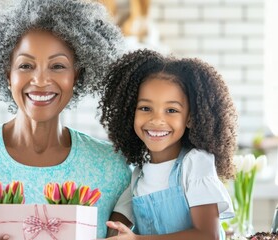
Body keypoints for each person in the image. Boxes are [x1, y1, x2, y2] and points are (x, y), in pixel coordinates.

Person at [0, 0, 132, 239]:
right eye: (26, 65)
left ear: (76, 76)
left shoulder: (110, 165)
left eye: (58, 66)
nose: (40, 80)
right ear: (7, 75)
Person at [98, 49, 238, 239]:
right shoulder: (139, 176)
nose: (156, 120)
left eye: (171, 110)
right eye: (145, 108)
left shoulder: (196, 163)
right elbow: (117, 223)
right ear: (130, 113)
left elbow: (207, 235)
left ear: (190, 118)